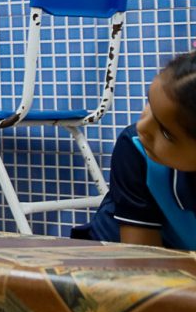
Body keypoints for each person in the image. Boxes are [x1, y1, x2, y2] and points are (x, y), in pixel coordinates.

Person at [84, 49, 196, 248]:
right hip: (122, 260)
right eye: (150, 105)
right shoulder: (135, 149)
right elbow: (142, 262)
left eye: (167, 133)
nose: (142, 128)